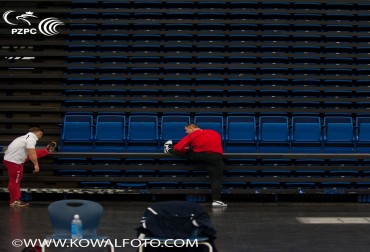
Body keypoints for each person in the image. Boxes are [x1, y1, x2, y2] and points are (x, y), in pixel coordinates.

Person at [164, 123, 227, 207]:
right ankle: (216, 201)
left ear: (192, 128)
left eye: (186, 130)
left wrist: (189, 148)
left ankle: (168, 149)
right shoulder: (214, 132)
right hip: (216, 158)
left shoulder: (193, 134)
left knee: (187, 152)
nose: (186, 132)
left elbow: (179, 147)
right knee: (216, 179)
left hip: (199, 156)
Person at [3, 127, 56, 207]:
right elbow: (31, 154)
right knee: (15, 181)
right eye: (41, 135)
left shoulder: (23, 137)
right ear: (39, 133)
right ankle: (14, 201)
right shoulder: (31, 139)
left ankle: (46, 150)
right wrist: (36, 164)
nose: (40, 137)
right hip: (14, 162)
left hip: (10, 158)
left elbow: (31, 153)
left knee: (33, 154)